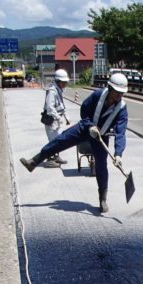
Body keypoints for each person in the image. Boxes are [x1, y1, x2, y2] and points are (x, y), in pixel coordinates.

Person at [20, 72, 129, 213]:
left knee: (102, 166)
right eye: (117, 93)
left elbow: (121, 133)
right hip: (85, 128)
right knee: (60, 140)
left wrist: (118, 154)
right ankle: (34, 162)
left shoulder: (122, 109)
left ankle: (103, 199)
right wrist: (90, 126)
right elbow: (84, 110)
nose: (119, 96)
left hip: (100, 137)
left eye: (122, 93)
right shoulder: (98, 95)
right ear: (109, 88)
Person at [43, 69, 72, 167]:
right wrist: (58, 117)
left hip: (56, 120)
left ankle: (56, 157)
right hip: (51, 120)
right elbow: (50, 107)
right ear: (57, 81)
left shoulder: (58, 90)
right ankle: (49, 160)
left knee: (58, 140)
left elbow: (60, 105)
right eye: (63, 82)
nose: (65, 84)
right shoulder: (52, 91)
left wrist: (65, 116)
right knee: (53, 141)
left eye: (65, 82)